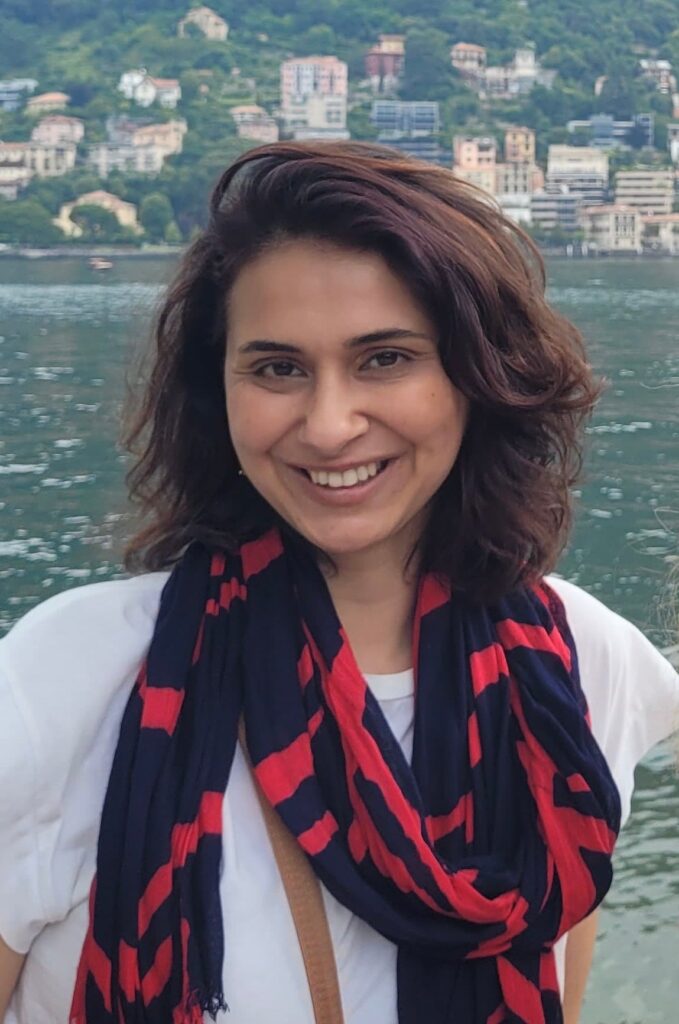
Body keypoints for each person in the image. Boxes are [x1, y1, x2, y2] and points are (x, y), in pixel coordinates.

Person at [0, 141, 677, 1024]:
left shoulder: (581, 665)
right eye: (277, 368)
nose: (328, 425)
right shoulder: (67, 676)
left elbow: (556, 966)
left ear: (477, 376)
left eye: (385, 358)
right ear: (221, 392)